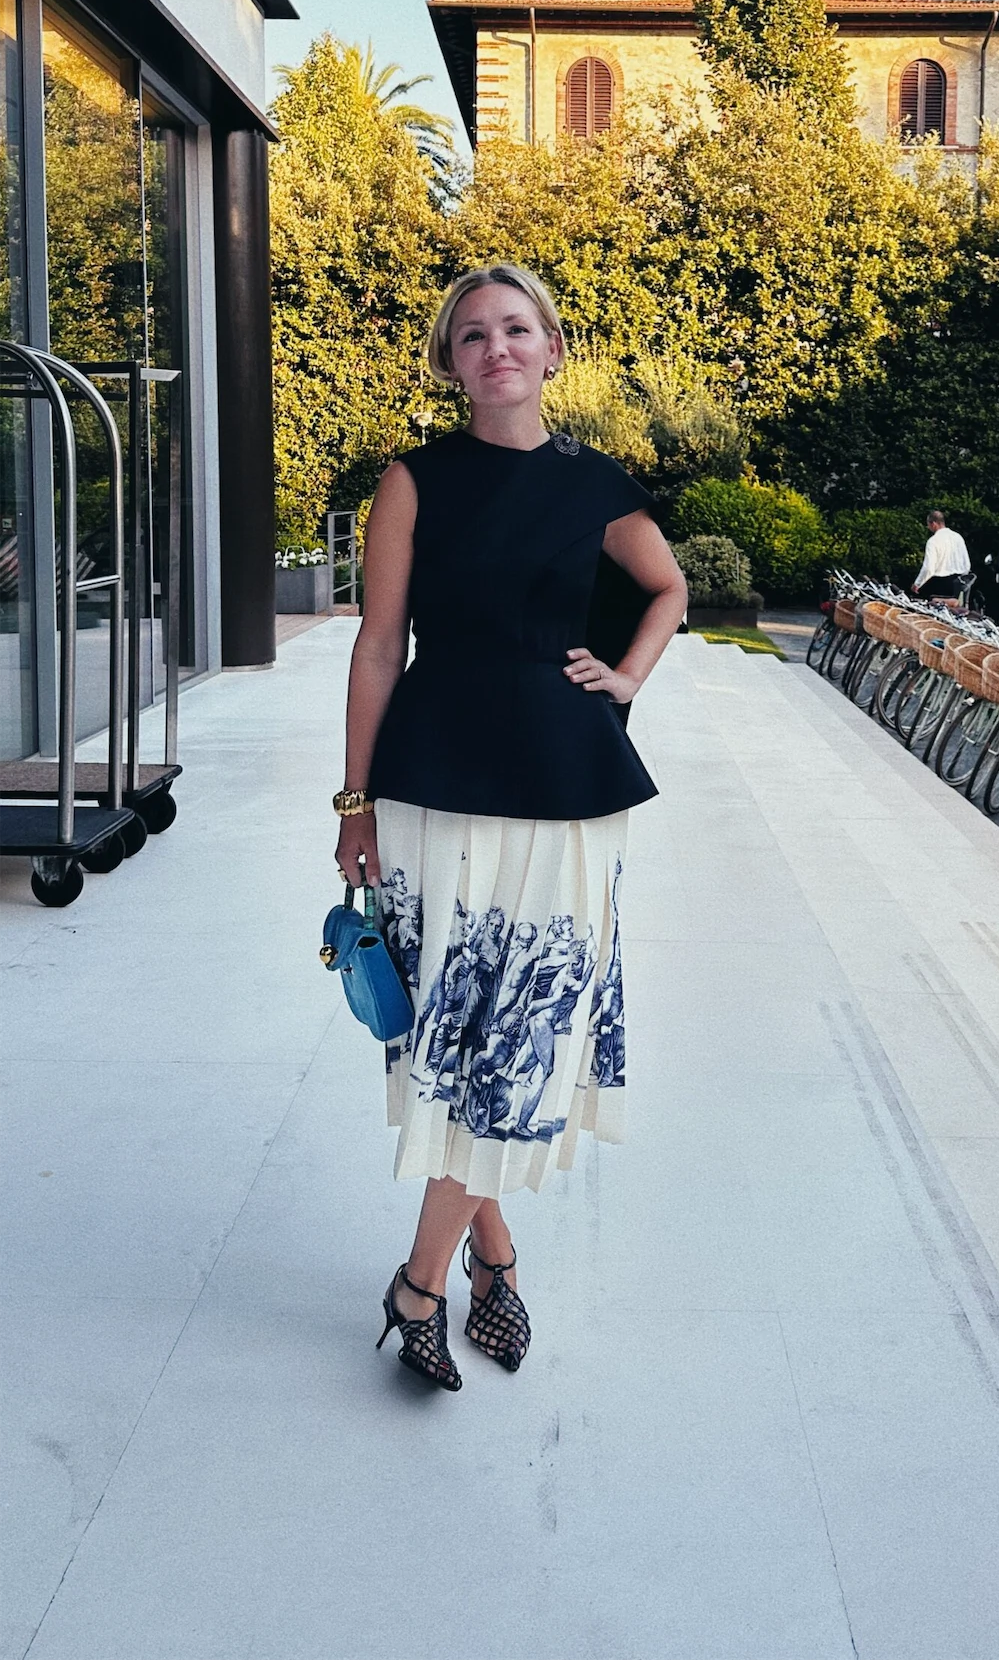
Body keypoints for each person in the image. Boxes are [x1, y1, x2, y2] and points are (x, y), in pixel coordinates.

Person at [335, 263, 687, 1391]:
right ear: (452, 362)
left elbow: (668, 588)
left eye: (517, 329)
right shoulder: (414, 480)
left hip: (566, 787)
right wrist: (352, 802)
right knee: (462, 1036)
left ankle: (420, 1282)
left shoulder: (596, 484)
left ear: (552, 349)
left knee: (522, 1033)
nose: (497, 348)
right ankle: (488, 1258)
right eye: (473, 334)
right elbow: (379, 644)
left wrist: (626, 677)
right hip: (432, 784)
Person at [913, 509, 971, 601]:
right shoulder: (958, 537)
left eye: (928, 525)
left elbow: (929, 568)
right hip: (958, 583)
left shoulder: (933, 541)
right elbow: (967, 565)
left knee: (917, 599)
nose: (928, 528)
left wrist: (917, 584)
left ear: (933, 524)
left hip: (939, 584)